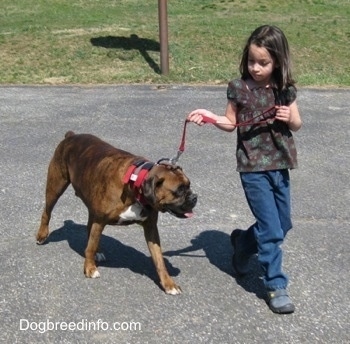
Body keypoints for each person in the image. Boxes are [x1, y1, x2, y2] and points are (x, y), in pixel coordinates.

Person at [187, 25, 302, 314]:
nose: (256, 68)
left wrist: (289, 117)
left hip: (280, 165)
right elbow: (229, 123)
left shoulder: (284, 89)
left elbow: (297, 124)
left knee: (282, 224)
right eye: (252, 61)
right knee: (271, 229)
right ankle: (275, 285)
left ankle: (241, 244)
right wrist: (211, 117)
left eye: (263, 62)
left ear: (277, 60)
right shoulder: (239, 88)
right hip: (252, 167)